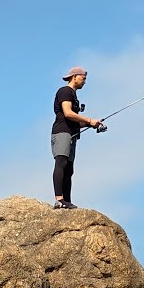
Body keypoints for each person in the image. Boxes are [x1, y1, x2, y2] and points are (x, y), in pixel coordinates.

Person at [51, 66, 103, 209]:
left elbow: (75, 121)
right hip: (62, 133)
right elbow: (67, 113)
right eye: (83, 78)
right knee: (61, 163)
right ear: (74, 77)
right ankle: (59, 200)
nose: (84, 81)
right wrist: (89, 119)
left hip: (71, 134)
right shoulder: (65, 91)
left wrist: (91, 124)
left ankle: (67, 201)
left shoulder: (74, 96)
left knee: (69, 169)